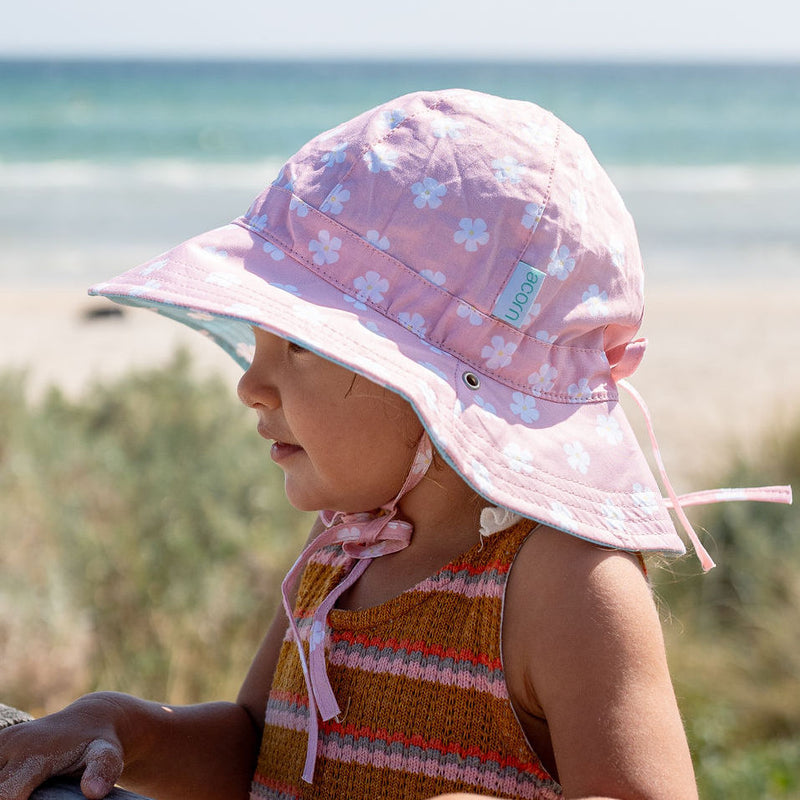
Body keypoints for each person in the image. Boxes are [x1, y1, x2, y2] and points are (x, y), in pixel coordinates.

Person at [0, 89, 790, 800]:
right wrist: (122, 727)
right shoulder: (345, 550)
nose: (251, 384)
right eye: (261, 338)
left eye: (302, 346)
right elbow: (254, 748)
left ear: (436, 385)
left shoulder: (564, 581)